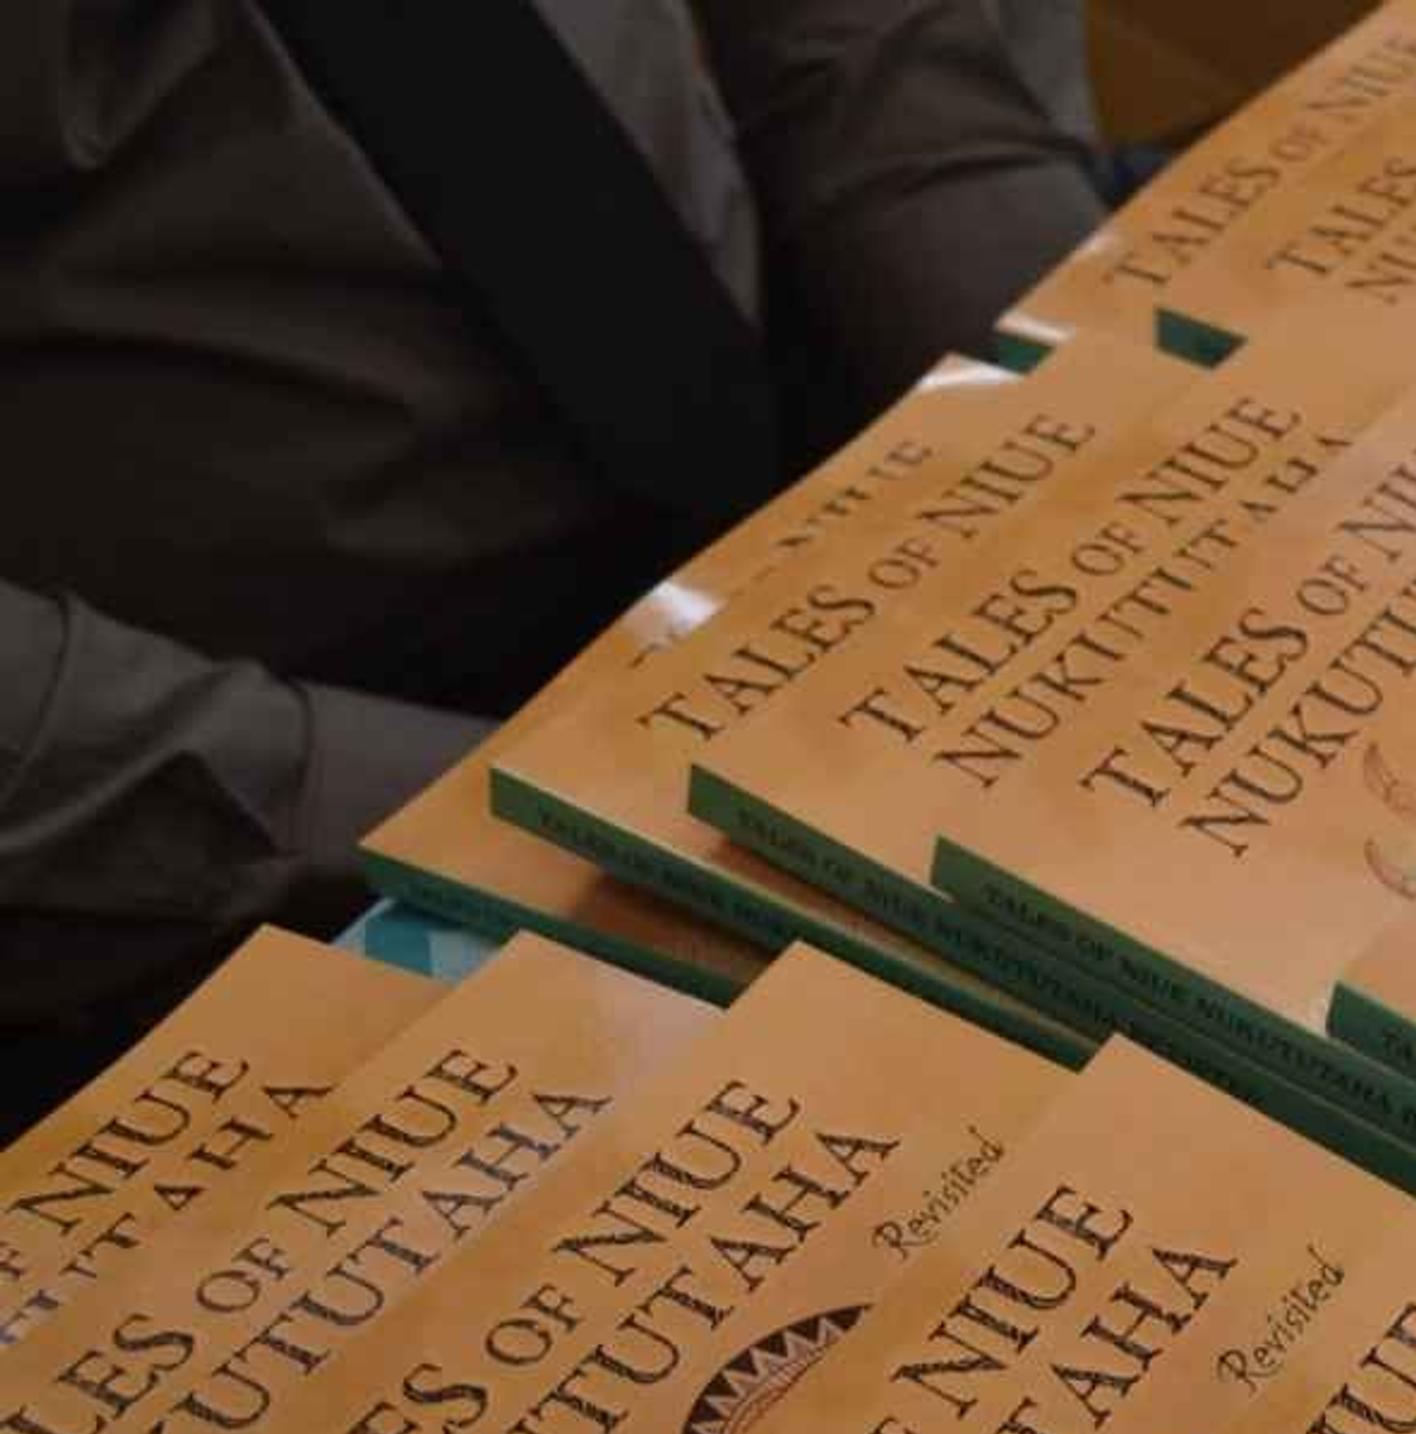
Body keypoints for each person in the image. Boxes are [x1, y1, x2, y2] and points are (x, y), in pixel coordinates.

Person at [0, 0, 1107, 1105]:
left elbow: (890, 77)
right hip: (250, 830)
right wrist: (533, 825)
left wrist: (1075, 455)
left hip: (816, 435)